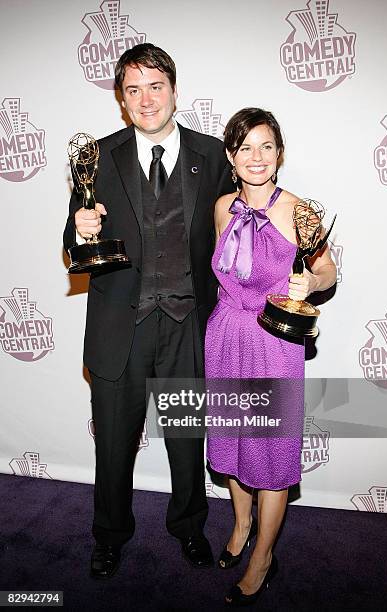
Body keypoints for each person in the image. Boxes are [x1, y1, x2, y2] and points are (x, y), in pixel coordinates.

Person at [63, 43, 234, 579]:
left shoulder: (212, 157)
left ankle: (189, 528)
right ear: (121, 99)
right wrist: (79, 231)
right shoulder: (97, 156)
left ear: (174, 91)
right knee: (113, 444)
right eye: (132, 89)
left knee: (187, 441)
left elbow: (234, 239)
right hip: (122, 326)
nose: (145, 99)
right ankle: (109, 536)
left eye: (155, 86)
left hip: (189, 325)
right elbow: (76, 240)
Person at [205, 107, 336, 606]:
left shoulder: (298, 210)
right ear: (230, 157)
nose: (255, 157)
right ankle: (240, 524)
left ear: (279, 154)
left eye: (266, 146)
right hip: (225, 336)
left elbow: (328, 273)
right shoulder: (222, 208)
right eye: (244, 148)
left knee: (270, 451)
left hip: (273, 342)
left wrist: (311, 281)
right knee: (233, 442)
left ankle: (263, 557)